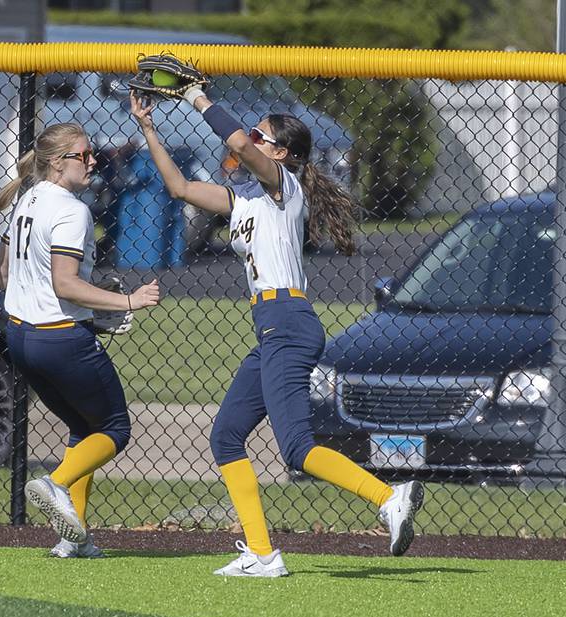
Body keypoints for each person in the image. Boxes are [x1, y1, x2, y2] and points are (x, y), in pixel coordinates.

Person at [131, 89, 424, 578]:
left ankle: (387, 496)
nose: (250, 139)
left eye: (261, 136)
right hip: (272, 328)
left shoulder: (281, 183)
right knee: (226, 437)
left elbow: (239, 147)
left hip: (287, 320)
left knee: (296, 449)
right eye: (253, 133)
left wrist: (199, 98)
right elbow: (179, 186)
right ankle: (262, 554)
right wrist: (147, 127)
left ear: (281, 153)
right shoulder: (243, 196)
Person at [0, 122, 160, 558]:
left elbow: (0, 272)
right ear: (59, 163)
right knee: (115, 429)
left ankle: (71, 538)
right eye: (84, 155)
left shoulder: (26, 199)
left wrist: (73, 304)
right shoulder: (71, 209)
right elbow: (64, 284)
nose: (93, 160)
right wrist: (126, 301)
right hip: (59, 339)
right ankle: (55, 484)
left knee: (83, 428)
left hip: (21, 337)